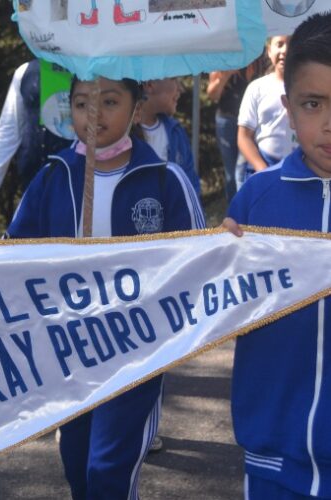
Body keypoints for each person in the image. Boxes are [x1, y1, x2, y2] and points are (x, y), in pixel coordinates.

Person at [6, 75, 204, 499]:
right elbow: (13, 255)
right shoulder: (53, 176)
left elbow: (199, 259)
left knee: (108, 470)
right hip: (68, 351)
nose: (93, 115)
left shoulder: (164, 180)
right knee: (77, 466)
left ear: (136, 110)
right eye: (81, 103)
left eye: (109, 102)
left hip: (136, 353)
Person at [223, 12, 331, 499]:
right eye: (314, 103)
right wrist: (216, 264)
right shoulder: (257, 200)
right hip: (272, 459)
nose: (329, 124)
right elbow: (220, 314)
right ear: (288, 108)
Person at [0, 59, 74, 224]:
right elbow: (9, 129)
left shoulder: (90, 68)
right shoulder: (25, 72)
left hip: (76, 183)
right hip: (32, 184)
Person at [237, 35, 297, 188]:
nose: (284, 50)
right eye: (279, 44)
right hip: (264, 166)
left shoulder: (310, 88)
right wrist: (263, 170)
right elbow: (244, 137)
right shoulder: (257, 88)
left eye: (290, 44)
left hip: (299, 169)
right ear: (269, 51)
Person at [206, 56, 266, 202]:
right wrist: (225, 75)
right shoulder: (222, 59)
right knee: (231, 173)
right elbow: (212, 95)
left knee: (243, 168)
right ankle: (234, 211)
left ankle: (246, 209)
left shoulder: (258, 59)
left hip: (250, 124)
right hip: (227, 120)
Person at [139, 77, 202, 196]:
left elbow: (191, 186)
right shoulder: (124, 136)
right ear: (149, 85)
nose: (181, 89)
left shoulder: (177, 132)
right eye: (174, 79)